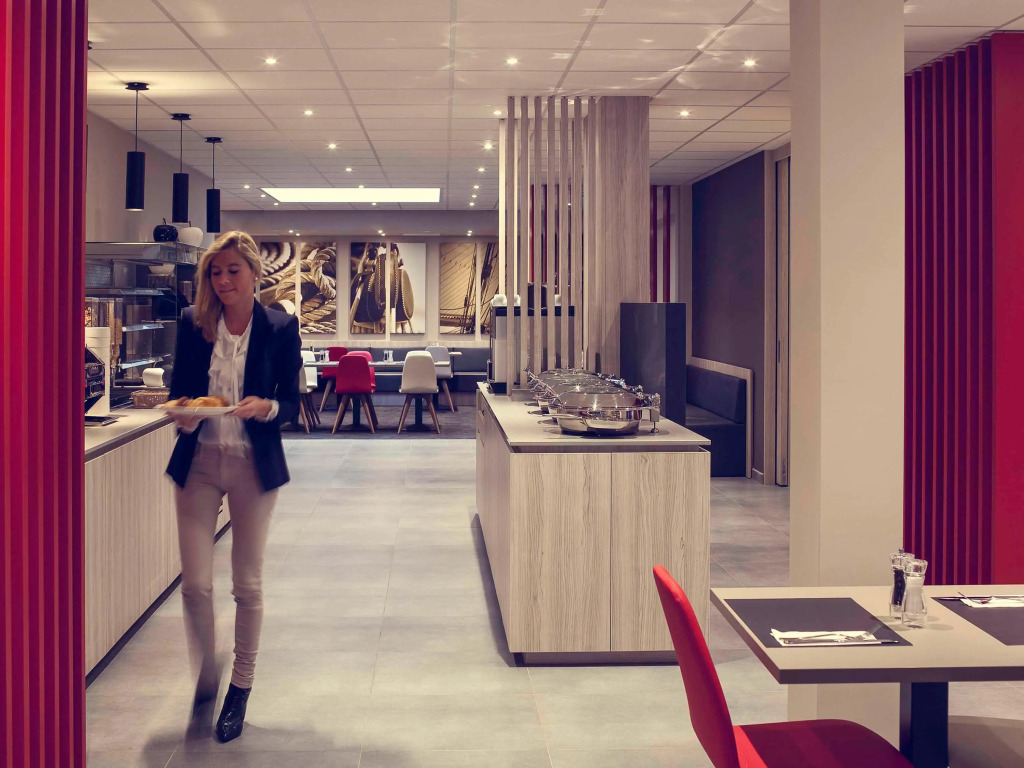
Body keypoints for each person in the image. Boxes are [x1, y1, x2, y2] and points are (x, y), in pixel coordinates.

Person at [165, 230, 301, 743]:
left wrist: (267, 407)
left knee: (247, 584)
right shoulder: (192, 323)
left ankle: (240, 688)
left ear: (253, 273)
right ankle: (207, 670)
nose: (223, 280)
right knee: (195, 585)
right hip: (198, 462)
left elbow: (292, 402)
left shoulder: (280, 327)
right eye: (215, 272)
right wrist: (183, 413)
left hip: (252, 465)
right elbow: (181, 391)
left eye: (232, 270)